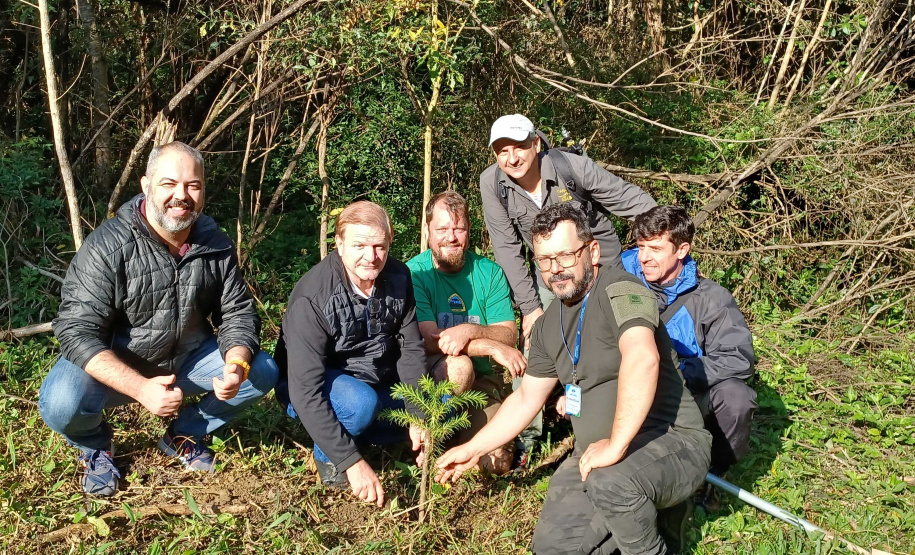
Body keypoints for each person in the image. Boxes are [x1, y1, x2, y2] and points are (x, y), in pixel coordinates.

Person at [436, 204, 711, 555]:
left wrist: (614, 446)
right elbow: (525, 399)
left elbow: (643, 358)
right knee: (553, 547)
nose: (555, 269)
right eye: (545, 259)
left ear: (592, 252)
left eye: (565, 255)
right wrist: (472, 448)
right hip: (592, 456)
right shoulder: (549, 324)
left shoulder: (623, 291)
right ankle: (646, 516)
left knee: (613, 483)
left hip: (670, 443)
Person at [40, 141, 278, 497]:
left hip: (187, 360)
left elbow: (237, 311)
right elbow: (76, 331)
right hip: (116, 366)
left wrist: (236, 363)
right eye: (169, 183)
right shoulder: (108, 246)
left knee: (261, 371)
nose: (181, 195)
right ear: (145, 184)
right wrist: (139, 388)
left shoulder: (215, 244)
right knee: (60, 402)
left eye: (192, 185)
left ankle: (183, 433)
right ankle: (96, 446)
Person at [480, 114, 657, 460]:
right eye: (502, 151)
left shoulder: (570, 167)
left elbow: (628, 199)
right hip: (553, 272)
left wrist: (662, 237)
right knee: (539, 341)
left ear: (536, 144)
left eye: (518, 147)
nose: (511, 158)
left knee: (615, 340)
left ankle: (623, 421)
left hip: (600, 263)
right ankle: (524, 441)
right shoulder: (493, 184)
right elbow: (507, 249)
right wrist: (530, 309)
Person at [274, 201, 425, 508]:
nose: (371, 257)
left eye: (379, 246)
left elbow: (411, 348)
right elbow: (304, 390)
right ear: (339, 244)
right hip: (320, 387)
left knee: (443, 405)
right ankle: (330, 452)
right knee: (359, 405)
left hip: (378, 380)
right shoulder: (313, 297)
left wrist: (419, 414)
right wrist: (351, 462)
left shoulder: (399, 277)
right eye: (359, 245)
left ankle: (368, 433)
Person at [621, 205, 756, 507]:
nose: (644, 257)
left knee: (736, 398)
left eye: (655, 248)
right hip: (626, 390)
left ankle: (712, 474)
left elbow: (739, 358)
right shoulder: (620, 284)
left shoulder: (712, 299)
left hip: (685, 391)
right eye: (641, 246)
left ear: (682, 249)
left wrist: (679, 371)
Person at [407, 192, 525, 475]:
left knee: (493, 464)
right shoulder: (415, 273)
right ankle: (433, 438)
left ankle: (458, 450)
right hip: (434, 379)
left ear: (469, 231)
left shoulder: (489, 273)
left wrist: (469, 330)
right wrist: (489, 346)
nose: (451, 237)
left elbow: (510, 335)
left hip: (484, 384)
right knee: (460, 367)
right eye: (442, 229)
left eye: (458, 229)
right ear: (427, 231)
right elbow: (431, 339)